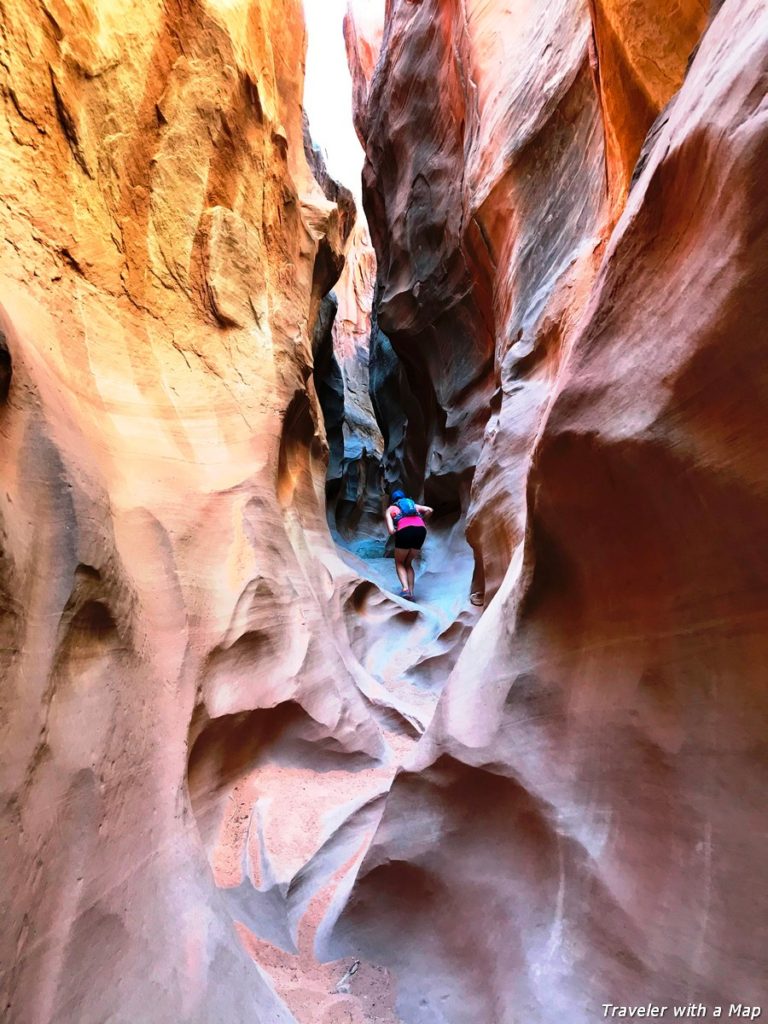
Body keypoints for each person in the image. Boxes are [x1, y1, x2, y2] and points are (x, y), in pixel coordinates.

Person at [384, 489, 433, 599]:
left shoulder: (391, 509)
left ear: (393, 500)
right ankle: (411, 593)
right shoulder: (413, 505)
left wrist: (398, 529)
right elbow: (429, 510)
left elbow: (391, 531)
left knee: (400, 562)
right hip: (421, 531)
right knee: (408, 563)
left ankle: (405, 589)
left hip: (404, 531)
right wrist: (423, 521)